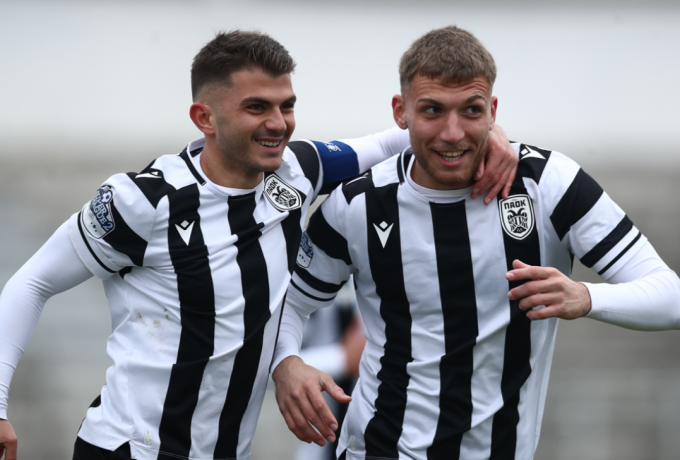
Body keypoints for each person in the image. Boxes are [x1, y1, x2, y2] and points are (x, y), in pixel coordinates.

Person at [0, 31, 518, 460]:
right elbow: (33, 282)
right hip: (132, 448)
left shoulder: (297, 170)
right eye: (256, 107)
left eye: (286, 106)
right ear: (204, 118)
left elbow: (400, 138)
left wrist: (492, 133)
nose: (278, 123)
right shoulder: (144, 200)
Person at [271, 25, 680, 460]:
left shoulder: (549, 185)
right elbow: (290, 303)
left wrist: (587, 297)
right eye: (432, 110)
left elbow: (670, 297)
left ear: (492, 111)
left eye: (471, 110)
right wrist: (286, 362)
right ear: (400, 112)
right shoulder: (357, 204)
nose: (452, 133)